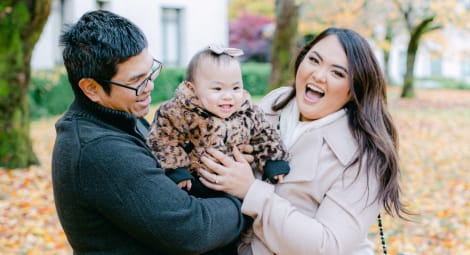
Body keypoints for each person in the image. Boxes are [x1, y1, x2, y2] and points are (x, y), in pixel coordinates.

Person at [197, 27, 409, 255]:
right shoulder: (273, 104)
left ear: (353, 90)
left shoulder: (364, 156)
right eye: (314, 60)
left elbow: (328, 246)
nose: (318, 75)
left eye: (337, 73)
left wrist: (251, 191)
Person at [51, 10, 245, 254]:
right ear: (92, 88)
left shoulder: (123, 118)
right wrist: (247, 196)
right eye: (137, 81)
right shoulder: (100, 149)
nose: (150, 86)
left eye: (150, 71)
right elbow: (192, 229)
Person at [147, 45, 290, 192]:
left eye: (236, 88)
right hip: (195, 183)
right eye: (217, 89)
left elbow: (265, 134)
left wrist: (273, 161)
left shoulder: (247, 112)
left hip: (235, 184)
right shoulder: (179, 112)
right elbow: (162, 139)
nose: (228, 96)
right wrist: (176, 169)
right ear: (192, 89)